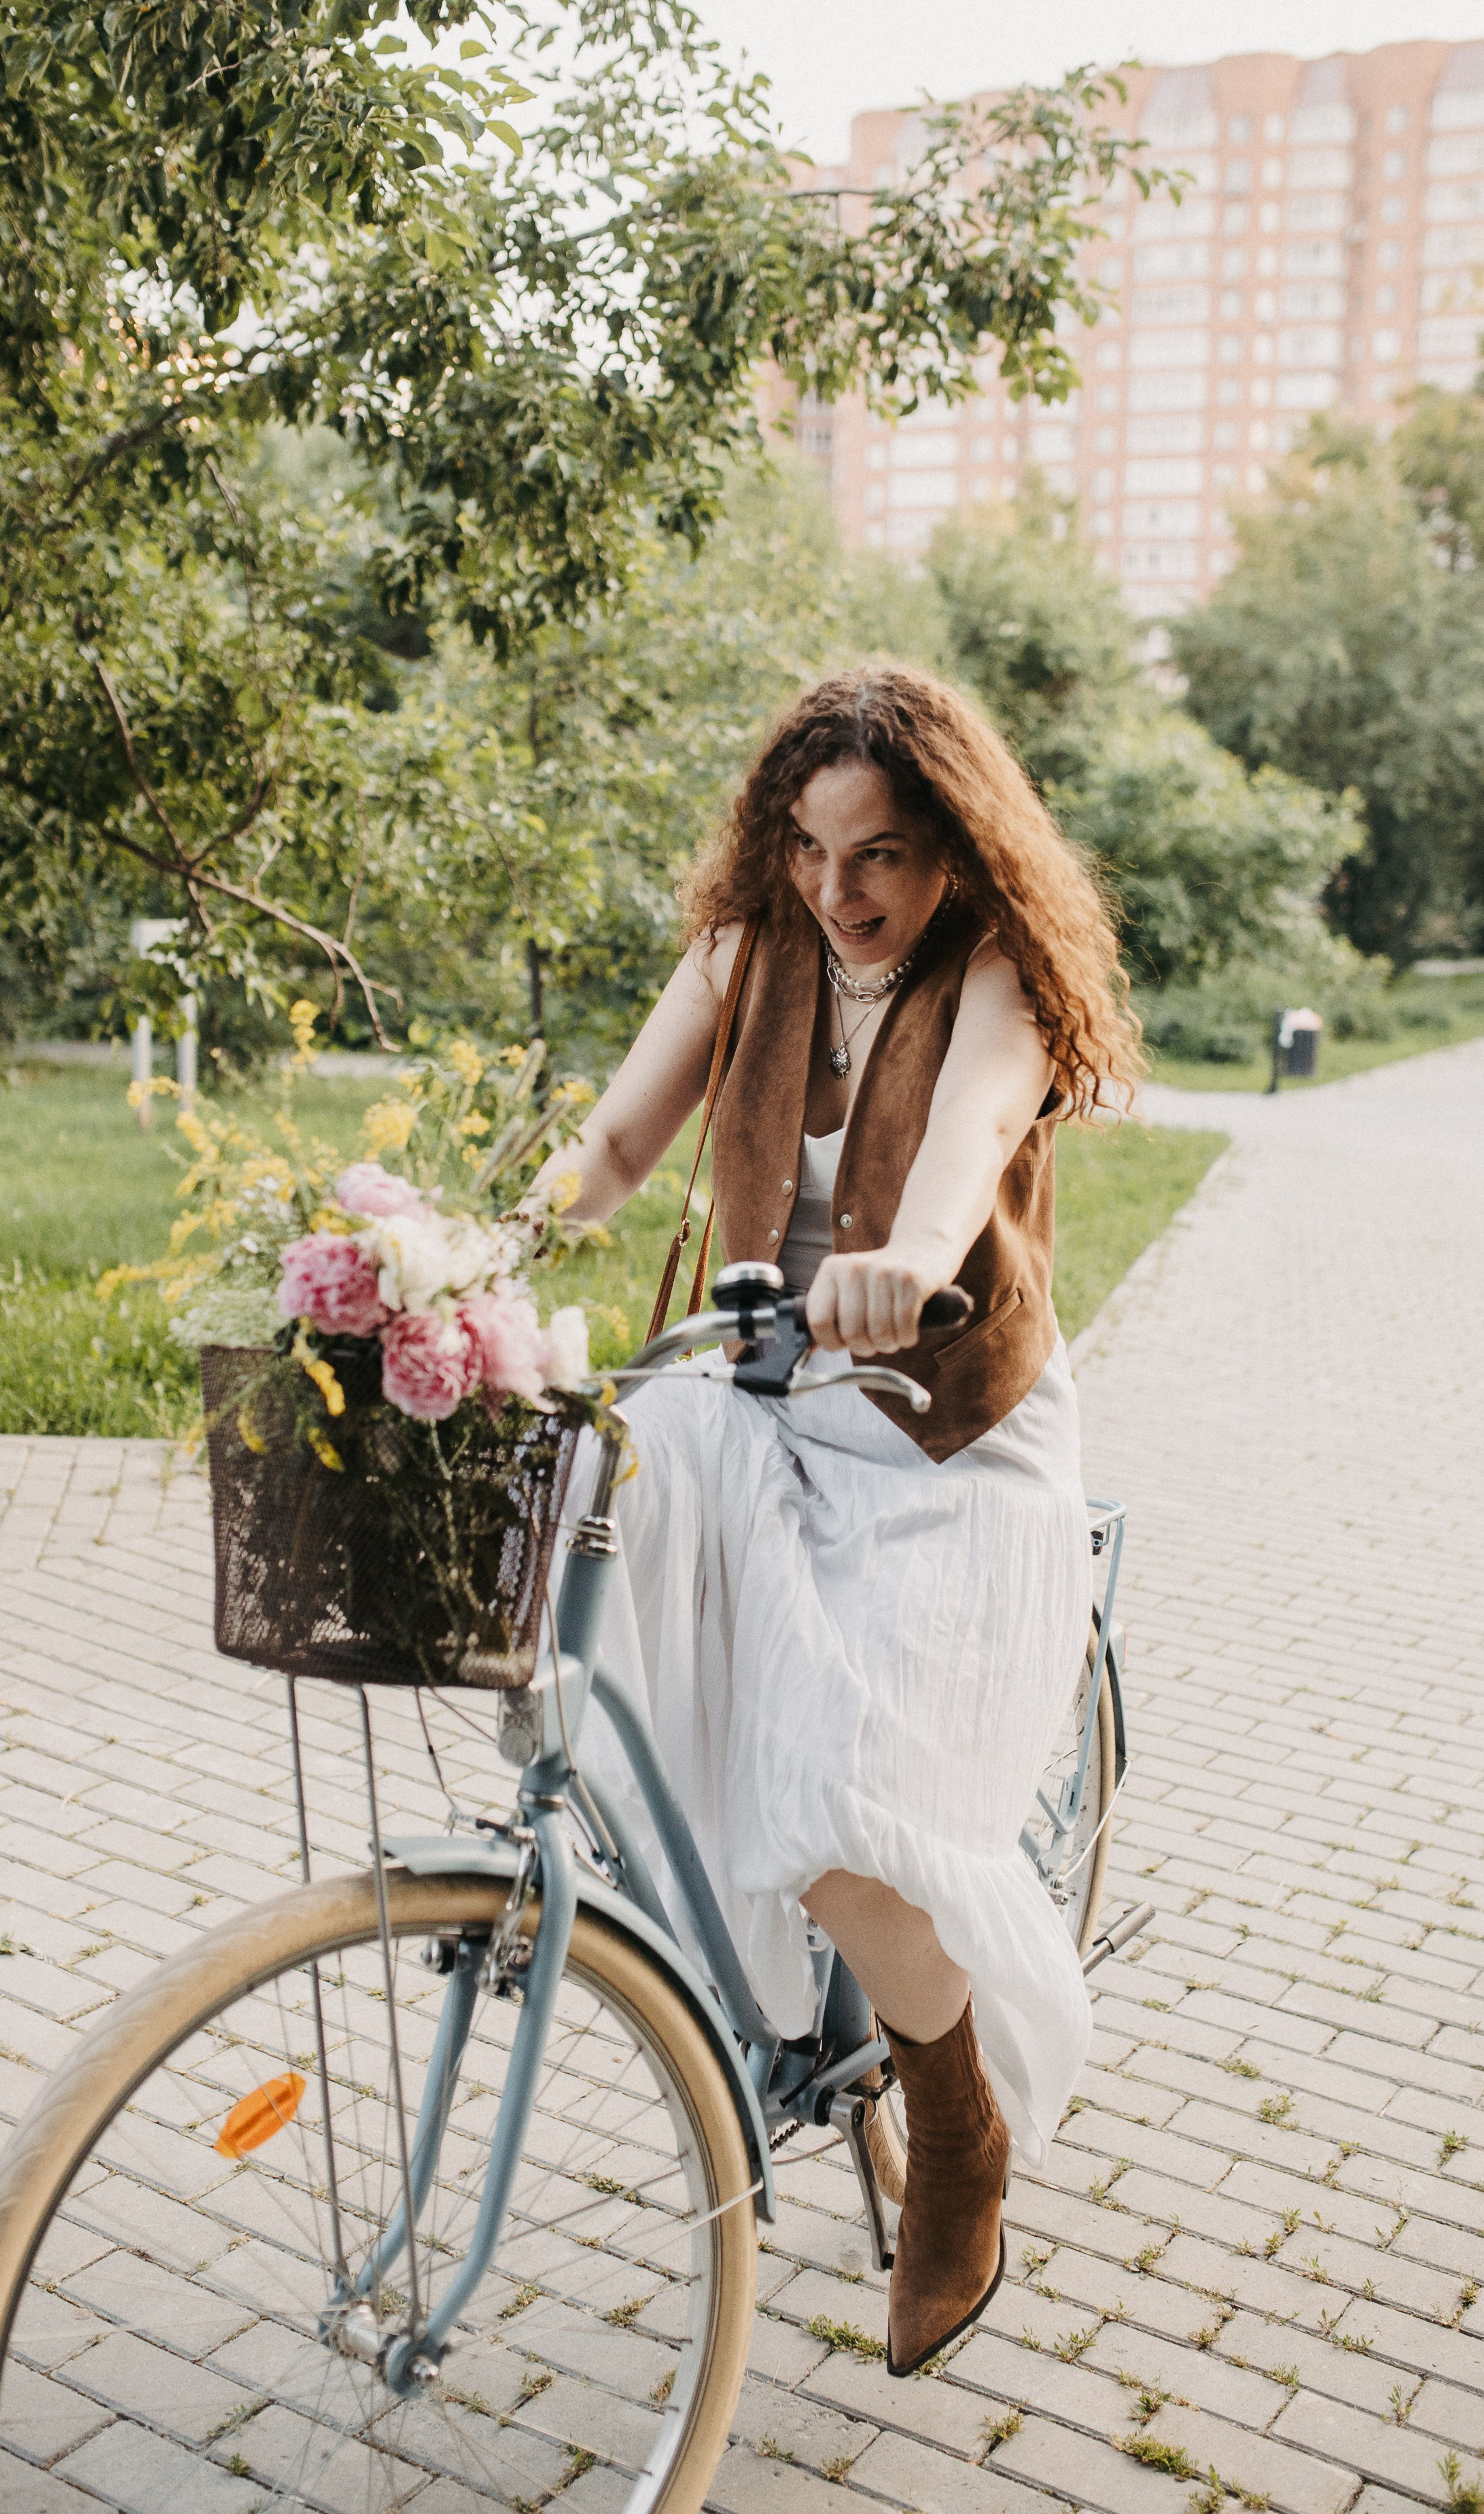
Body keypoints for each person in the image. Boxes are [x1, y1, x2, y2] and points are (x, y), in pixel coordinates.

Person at [537, 665, 1143, 2374]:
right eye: (808, 850)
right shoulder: (749, 949)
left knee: (836, 1815)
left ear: (954, 841)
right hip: (759, 1401)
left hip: (944, 1440)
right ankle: (742, 1977)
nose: (839, 890)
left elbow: (958, 1154)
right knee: (584, 1536)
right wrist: (462, 1266)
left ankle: (957, 2127)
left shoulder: (1000, 975)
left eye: (879, 852)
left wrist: (903, 1259)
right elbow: (613, 1143)